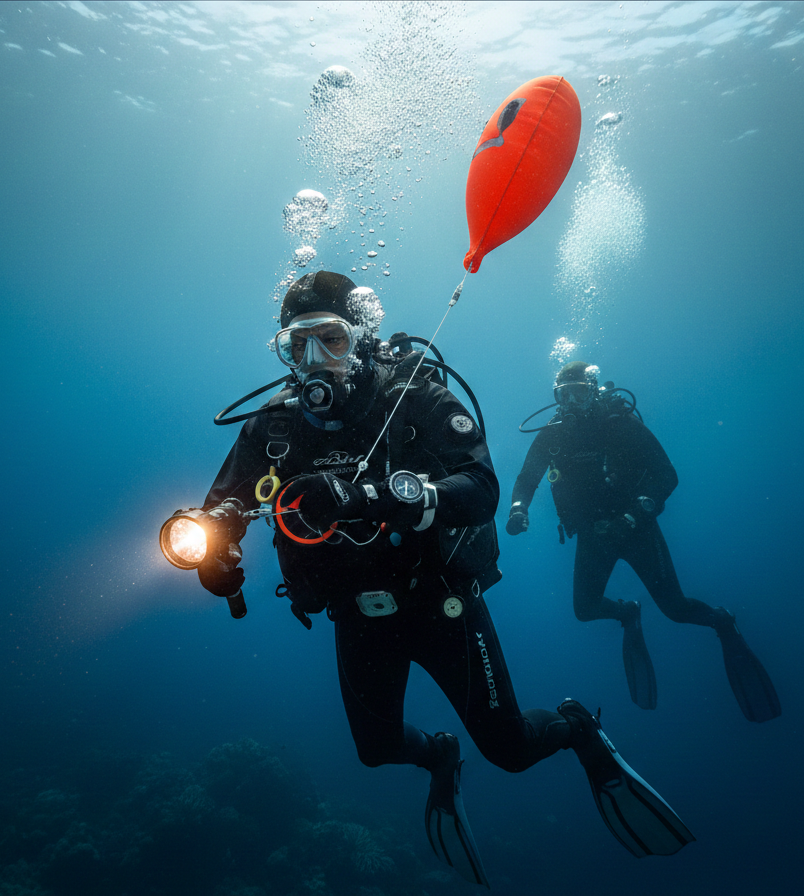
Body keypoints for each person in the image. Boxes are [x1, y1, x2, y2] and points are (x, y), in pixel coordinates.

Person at [176, 275, 694, 886]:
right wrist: (213, 557)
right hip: (357, 614)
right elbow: (218, 510)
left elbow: (481, 490)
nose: (314, 363)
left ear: (361, 340)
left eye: (332, 341)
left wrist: (367, 495)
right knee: (376, 750)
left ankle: (577, 727)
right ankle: (441, 755)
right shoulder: (275, 425)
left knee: (510, 752)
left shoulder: (414, 395)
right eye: (298, 347)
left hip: (442, 602)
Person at [505, 360, 781, 722]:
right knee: (584, 609)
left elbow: (667, 475)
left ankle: (722, 622)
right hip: (593, 536)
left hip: (636, 531)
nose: (571, 402)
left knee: (676, 609)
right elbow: (527, 478)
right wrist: (518, 509)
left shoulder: (621, 426)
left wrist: (633, 516)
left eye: (579, 393)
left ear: (592, 393)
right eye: (564, 395)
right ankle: (627, 613)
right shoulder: (551, 437)